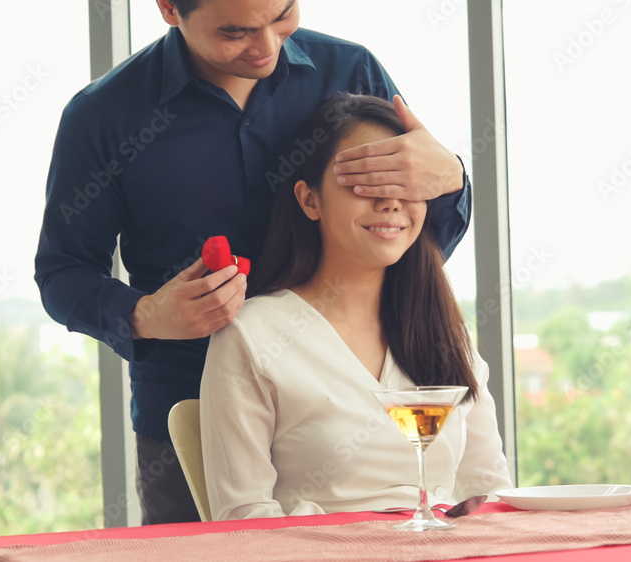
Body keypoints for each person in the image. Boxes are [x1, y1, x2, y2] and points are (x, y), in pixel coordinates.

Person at [33, 0, 472, 525]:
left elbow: (403, 231)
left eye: (283, 14)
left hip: (355, 407)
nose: (267, 47)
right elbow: (63, 271)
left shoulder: (350, 71)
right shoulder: (103, 116)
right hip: (185, 405)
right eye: (235, 32)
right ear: (170, 8)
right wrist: (147, 315)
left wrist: (451, 176)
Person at [199, 93, 511, 520]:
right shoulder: (253, 336)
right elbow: (243, 517)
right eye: (363, 181)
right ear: (310, 200)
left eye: (404, 181)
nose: (389, 201)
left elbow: (488, 493)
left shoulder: (441, 328)